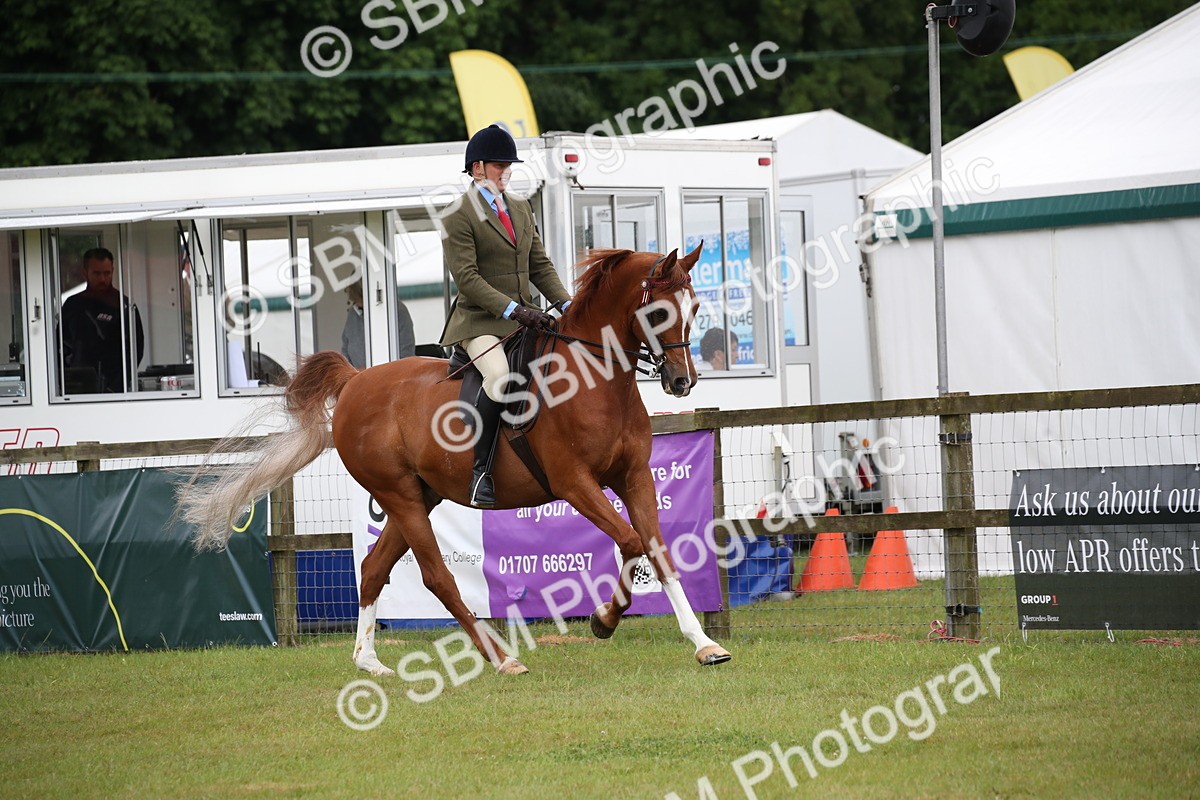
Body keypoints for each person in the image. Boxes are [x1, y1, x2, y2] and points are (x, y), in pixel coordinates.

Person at [438, 124, 572, 508]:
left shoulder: (519, 207)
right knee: (499, 377)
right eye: (499, 165)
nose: (506, 171)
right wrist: (515, 308)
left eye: (509, 165)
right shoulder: (457, 215)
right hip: (480, 322)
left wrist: (566, 305)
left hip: (525, 317)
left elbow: (539, 265)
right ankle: (481, 473)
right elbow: (467, 279)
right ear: (477, 168)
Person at [60, 247, 144, 393]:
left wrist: (116, 386)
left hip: (114, 388)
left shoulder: (124, 306)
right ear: (85, 272)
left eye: (107, 273)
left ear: (113, 270)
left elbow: (136, 350)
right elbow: (59, 346)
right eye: (96, 273)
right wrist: (63, 381)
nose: (102, 279)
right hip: (76, 385)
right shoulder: (73, 305)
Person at [341, 280, 367, 368]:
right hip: (358, 378)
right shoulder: (354, 312)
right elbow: (345, 348)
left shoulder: (396, 312)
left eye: (357, 300)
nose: (355, 304)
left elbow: (405, 353)